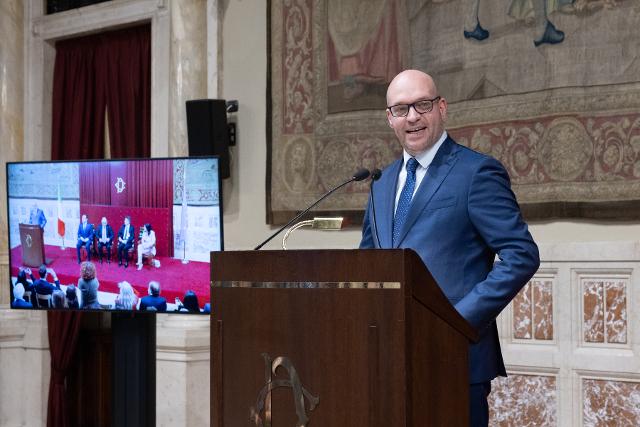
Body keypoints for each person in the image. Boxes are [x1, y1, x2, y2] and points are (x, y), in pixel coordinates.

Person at [360, 70, 540, 425]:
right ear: (389, 119)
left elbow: (522, 254)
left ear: (441, 108)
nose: (412, 117)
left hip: (454, 359)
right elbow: (368, 265)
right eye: (401, 109)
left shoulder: (476, 173)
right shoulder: (380, 184)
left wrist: (456, 321)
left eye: (422, 105)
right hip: (390, 362)